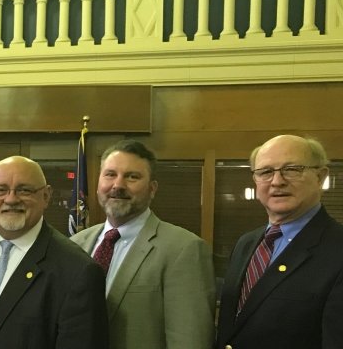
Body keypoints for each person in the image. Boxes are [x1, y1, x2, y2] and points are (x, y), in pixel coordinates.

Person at [70, 140, 215, 349]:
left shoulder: (183, 249)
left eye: (132, 176)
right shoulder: (76, 244)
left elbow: (190, 340)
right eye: (110, 174)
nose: (118, 185)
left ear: (152, 188)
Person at [0, 156, 108, 349]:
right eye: (0, 190)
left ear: (46, 196)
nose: (11, 199)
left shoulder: (78, 271)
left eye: (24, 190)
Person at [215, 135, 343, 349]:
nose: (277, 181)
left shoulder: (337, 248)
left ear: (320, 177)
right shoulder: (245, 243)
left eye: (292, 169)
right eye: (265, 172)